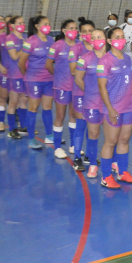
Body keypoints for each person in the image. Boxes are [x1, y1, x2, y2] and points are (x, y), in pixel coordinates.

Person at [94, 27, 132, 188]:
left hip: (128, 108)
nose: (121, 39)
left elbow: (130, 81)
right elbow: (102, 87)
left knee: (124, 140)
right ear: (109, 41)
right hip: (112, 108)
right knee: (110, 142)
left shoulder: (127, 58)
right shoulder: (104, 61)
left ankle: (123, 172)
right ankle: (106, 176)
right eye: (117, 37)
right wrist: (110, 108)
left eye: (123, 36)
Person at [18, 16, 55, 150]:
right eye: (45, 24)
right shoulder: (31, 41)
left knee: (48, 107)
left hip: (49, 79)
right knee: (33, 108)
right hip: (34, 79)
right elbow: (21, 62)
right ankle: (32, 139)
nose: (48, 26)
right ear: (37, 26)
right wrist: (27, 76)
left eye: (49, 24)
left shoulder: (51, 40)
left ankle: (49, 135)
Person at [74, 29, 108, 178]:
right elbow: (78, 79)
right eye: (93, 38)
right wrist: (90, 92)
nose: (96, 40)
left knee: (111, 136)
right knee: (93, 133)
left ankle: (111, 164)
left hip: (112, 103)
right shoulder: (84, 58)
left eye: (99, 37)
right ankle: (93, 164)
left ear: (106, 39)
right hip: (92, 101)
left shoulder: (112, 57)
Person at [45, 19, 79, 158]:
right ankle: (57, 147)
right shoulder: (57, 45)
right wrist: (58, 77)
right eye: (71, 28)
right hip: (61, 86)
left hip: (76, 86)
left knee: (74, 116)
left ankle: (73, 145)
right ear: (64, 31)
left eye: (75, 28)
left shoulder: (80, 45)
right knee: (60, 116)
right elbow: (48, 64)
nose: (74, 31)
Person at [68, 18, 95, 170]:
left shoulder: (101, 50)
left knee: (93, 126)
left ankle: (89, 155)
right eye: (84, 32)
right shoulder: (76, 50)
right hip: (81, 91)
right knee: (81, 124)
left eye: (90, 31)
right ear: (80, 34)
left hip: (96, 94)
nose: (88, 34)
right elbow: (73, 71)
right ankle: (77, 157)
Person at [3, 16, 29, 139]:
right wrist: (24, 47)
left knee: (23, 100)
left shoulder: (25, 38)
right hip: (15, 74)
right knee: (13, 101)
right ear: (12, 25)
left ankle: (23, 126)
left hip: (25, 73)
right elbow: (14, 57)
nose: (22, 25)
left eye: (23, 22)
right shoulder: (9, 39)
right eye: (19, 23)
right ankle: (12, 129)